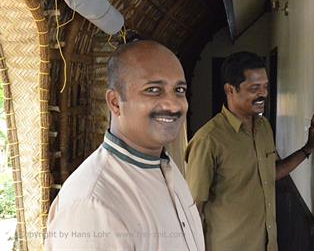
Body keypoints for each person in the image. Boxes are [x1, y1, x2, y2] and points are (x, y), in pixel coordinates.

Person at [45, 40, 204, 250]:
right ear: (115, 102)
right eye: (153, 89)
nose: (173, 104)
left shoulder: (166, 167)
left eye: (179, 90)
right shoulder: (93, 204)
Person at [185, 52, 314, 251]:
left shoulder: (264, 128)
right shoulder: (209, 140)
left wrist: (308, 148)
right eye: (254, 88)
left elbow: (270, 173)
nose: (263, 94)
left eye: (265, 86)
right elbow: (193, 208)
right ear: (230, 90)